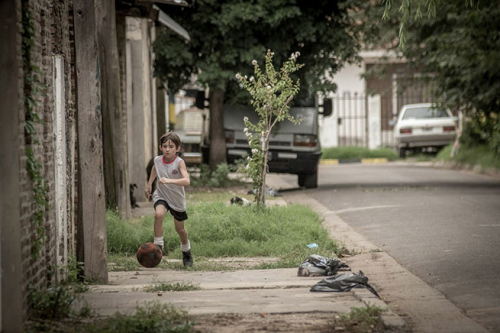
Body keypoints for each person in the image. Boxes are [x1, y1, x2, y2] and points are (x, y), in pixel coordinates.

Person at [145, 132, 193, 267]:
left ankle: (186, 251)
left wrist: (169, 180)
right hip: (161, 195)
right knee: (158, 214)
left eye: (171, 146)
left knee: (180, 230)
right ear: (160, 147)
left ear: (177, 148)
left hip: (177, 199)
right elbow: (155, 168)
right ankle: (158, 246)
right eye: (165, 146)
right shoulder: (157, 160)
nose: (167, 149)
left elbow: (187, 181)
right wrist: (149, 184)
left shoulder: (179, 162)